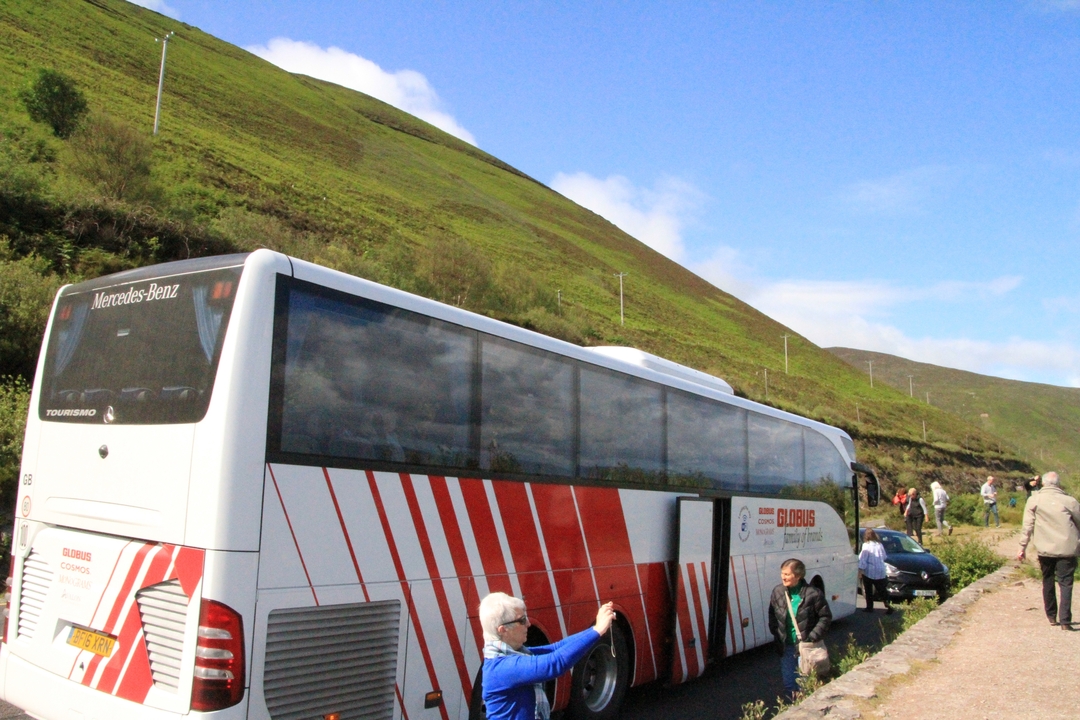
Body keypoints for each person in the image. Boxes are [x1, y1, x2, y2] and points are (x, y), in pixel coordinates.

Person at [480, 592, 615, 719]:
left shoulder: (510, 656)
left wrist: (596, 629)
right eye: (522, 620)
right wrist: (597, 630)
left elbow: (556, 648)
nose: (528, 624)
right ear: (503, 630)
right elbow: (555, 663)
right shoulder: (501, 668)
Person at [1016, 472, 1080, 631]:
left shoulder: (1034, 500)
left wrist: (1022, 547)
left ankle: (1051, 616)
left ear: (1043, 484)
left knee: (1048, 579)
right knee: (1066, 583)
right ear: (1058, 484)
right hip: (1067, 548)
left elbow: (1027, 526)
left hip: (1044, 548)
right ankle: (1065, 621)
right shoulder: (1070, 501)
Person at [768, 558, 832, 700]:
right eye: (782, 573)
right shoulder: (778, 592)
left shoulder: (813, 594)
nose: (783, 577)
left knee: (805, 684)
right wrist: (775, 631)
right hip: (786, 646)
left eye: (787, 574)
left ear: (798, 576)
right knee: (789, 684)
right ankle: (793, 708)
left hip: (806, 647)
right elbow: (772, 613)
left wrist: (812, 637)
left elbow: (825, 617)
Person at [858, 529, 893, 615]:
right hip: (880, 570)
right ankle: (889, 606)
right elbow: (884, 557)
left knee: (868, 590)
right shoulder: (879, 545)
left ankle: (869, 607)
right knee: (882, 590)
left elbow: (863, 559)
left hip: (869, 571)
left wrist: (860, 570)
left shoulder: (866, 545)